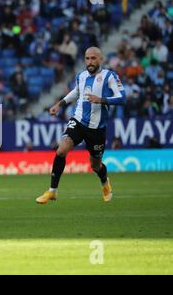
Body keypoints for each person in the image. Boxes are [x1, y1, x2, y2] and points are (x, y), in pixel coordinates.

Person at [36, 47, 126, 204]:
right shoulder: (81, 76)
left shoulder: (109, 76)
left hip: (97, 129)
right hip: (78, 121)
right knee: (61, 150)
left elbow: (122, 97)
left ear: (101, 59)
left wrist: (102, 99)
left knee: (95, 165)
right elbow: (76, 92)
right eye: (87, 58)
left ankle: (105, 182)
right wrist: (59, 103)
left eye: (93, 58)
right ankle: (52, 191)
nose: (89, 62)